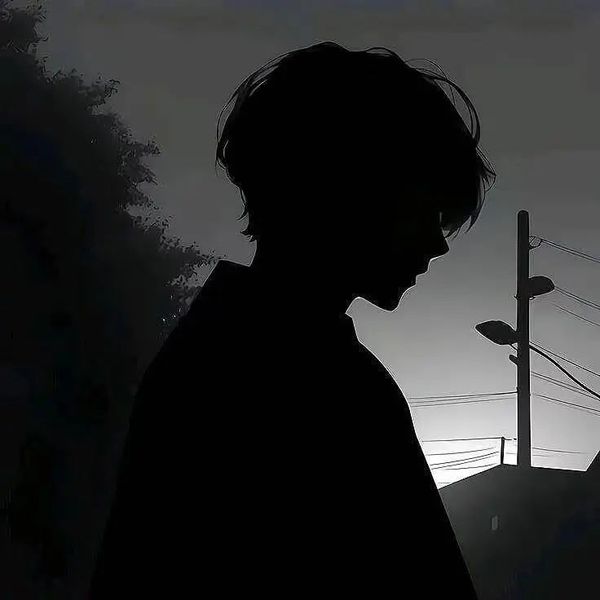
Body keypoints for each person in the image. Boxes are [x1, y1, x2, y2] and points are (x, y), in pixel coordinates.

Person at [89, 41, 495, 598]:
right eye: (425, 210)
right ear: (349, 188)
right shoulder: (320, 383)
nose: (437, 243)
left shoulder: (216, 355)